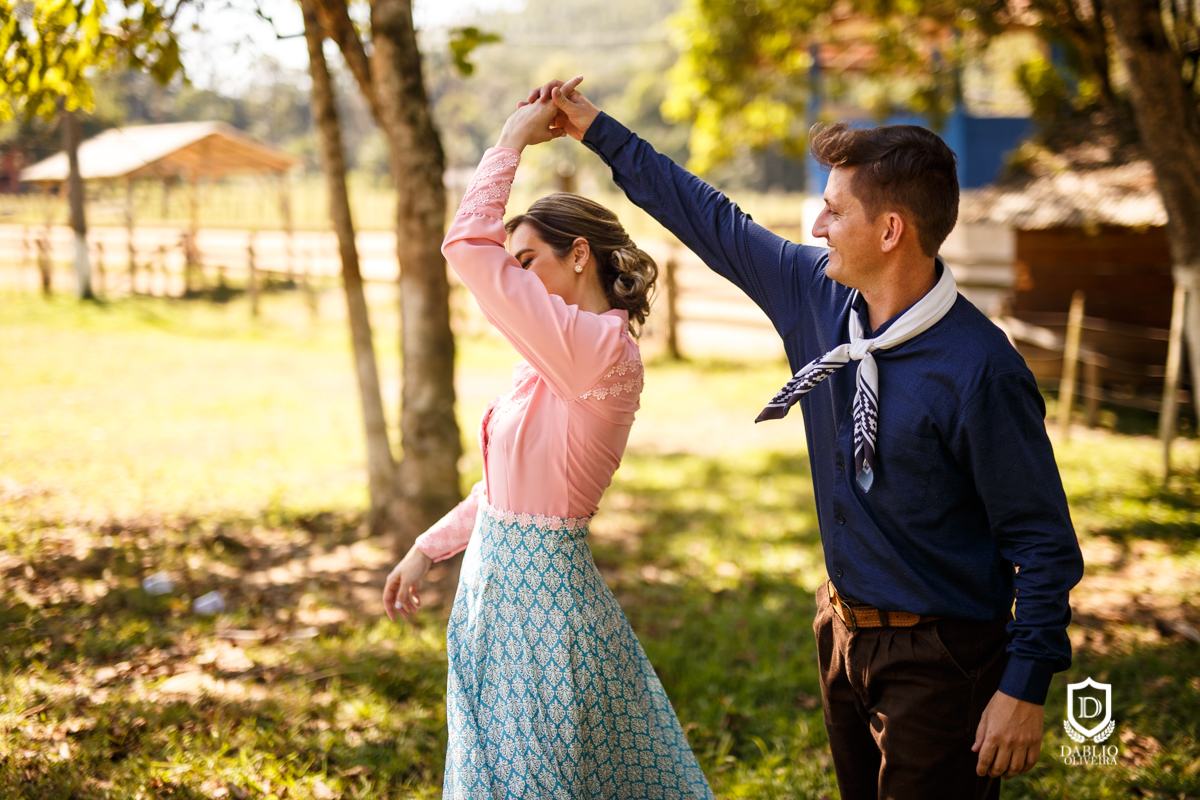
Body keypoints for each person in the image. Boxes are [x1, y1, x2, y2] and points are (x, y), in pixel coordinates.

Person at [525, 77, 1085, 799]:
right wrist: (597, 130)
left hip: (944, 656)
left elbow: (1043, 542)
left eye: (834, 211)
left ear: (890, 231)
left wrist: (1024, 685)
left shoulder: (981, 371)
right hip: (842, 631)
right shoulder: (815, 294)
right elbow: (708, 217)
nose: (817, 226)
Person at [382, 95, 715, 800]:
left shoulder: (600, 350)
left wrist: (511, 139)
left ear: (580, 254)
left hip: (545, 617)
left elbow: (466, 251)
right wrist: (426, 548)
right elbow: (503, 491)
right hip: (490, 602)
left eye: (528, 260)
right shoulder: (550, 361)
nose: (517, 276)